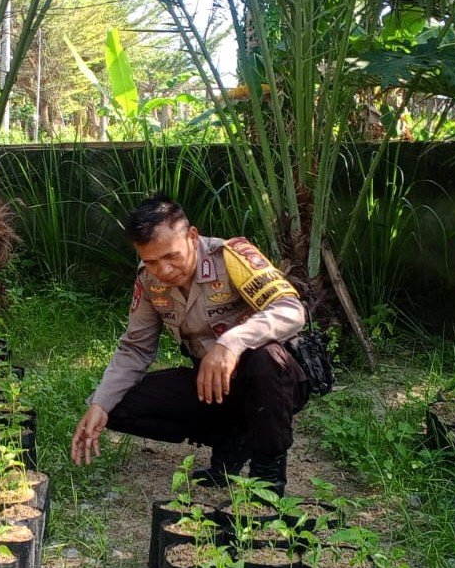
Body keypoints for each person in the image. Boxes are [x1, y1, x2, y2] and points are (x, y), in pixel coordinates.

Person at [70, 195, 310, 494]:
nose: (164, 270)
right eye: (151, 261)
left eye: (172, 256)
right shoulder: (149, 281)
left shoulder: (231, 256)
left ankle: (267, 477)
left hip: (273, 378)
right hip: (213, 381)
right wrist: (100, 403)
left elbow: (291, 310)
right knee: (115, 404)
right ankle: (231, 441)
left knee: (265, 359)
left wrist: (232, 342)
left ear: (192, 236)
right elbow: (135, 348)